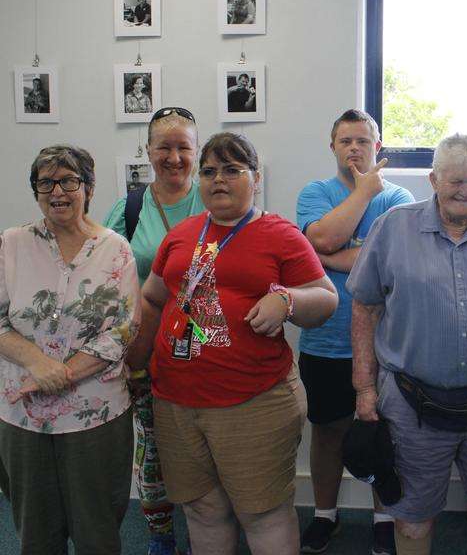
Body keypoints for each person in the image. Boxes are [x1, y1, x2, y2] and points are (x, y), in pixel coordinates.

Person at [127, 132, 339, 555]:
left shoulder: (280, 234)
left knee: (262, 514)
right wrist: (135, 363)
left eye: (231, 170)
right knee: (202, 509)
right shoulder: (182, 234)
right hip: (176, 402)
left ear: (255, 178)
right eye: (208, 171)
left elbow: (326, 298)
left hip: (253, 402)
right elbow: (152, 298)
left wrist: (287, 298)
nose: (217, 180)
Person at [348, 133, 467, 555]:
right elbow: (365, 308)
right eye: (455, 182)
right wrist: (364, 388)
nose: (466, 192)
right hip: (410, 402)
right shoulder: (393, 227)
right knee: (413, 520)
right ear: (433, 179)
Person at [0, 145, 141, 554]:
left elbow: (123, 328)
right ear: (36, 191)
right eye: (46, 182)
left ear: (89, 188)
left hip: (96, 413)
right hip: (22, 413)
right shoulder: (10, 244)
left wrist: (63, 373)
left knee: (97, 526)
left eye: (69, 180)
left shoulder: (115, 249)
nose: (57, 191)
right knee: (35, 529)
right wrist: (37, 362)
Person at [296, 109, 414, 555]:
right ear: (332, 147)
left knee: (384, 432)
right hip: (325, 341)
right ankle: (325, 516)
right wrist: (363, 194)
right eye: (345, 141)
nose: (354, 149)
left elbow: (389, 263)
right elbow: (323, 238)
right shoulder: (315, 193)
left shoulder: (399, 196)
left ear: (377, 147)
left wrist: (329, 252)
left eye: (363, 141)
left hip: (385, 345)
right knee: (327, 433)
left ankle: (384, 518)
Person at [104, 106, 205, 555]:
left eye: (184, 146)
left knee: (211, 445)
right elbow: (104, 278)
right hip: (146, 354)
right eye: (164, 146)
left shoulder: (218, 198)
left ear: (196, 151)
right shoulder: (126, 209)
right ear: (148, 151)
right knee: (151, 451)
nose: (174, 157)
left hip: (208, 351)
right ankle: (161, 537)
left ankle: (214, 528)